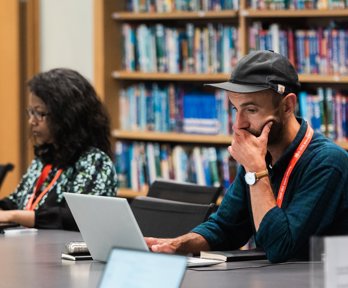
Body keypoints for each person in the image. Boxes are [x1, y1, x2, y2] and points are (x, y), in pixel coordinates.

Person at [145, 50, 348, 263]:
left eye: (251, 109)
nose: (238, 124)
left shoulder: (328, 163)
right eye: (235, 109)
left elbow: (281, 249)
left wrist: (256, 170)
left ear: (287, 106)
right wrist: (174, 245)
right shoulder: (260, 154)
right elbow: (225, 228)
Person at [0, 68, 118, 231]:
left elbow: (75, 217)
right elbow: (17, 201)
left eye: (40, 114)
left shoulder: (95, 162)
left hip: (67, 252)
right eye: (31, 112)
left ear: (68, 116)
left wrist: (14, 216)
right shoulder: (46, 157)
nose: (32, 121)